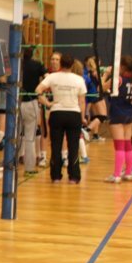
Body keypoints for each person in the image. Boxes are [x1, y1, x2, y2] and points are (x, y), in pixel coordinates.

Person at [36, 53, 87, 183]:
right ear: (72, 65)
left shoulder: (52, 77)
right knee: (73, 146)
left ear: (61, 63)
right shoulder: (79, 79)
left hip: (57, 113)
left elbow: (38, 90)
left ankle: (56, 176)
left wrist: (47, 103)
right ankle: (74, 177)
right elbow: (82, 101)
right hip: (73, 113)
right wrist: (82, 117)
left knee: (56, 146)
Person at [101, 56, 132, 184]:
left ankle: (117, 175)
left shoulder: (118, 79)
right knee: (127, 144)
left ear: (123, 67)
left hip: (117, 113)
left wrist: (106, 74)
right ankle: (129, 173)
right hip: (129, 114)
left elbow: (100, 88)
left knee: (119, 146)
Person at [19, 46, 46, 175]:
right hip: (31, 102)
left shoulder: (16, 64)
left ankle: (10, 166)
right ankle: (29, 168)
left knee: (15, 136)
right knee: (30, 137)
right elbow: (47, 78)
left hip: (16, 102)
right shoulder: (37, 65)